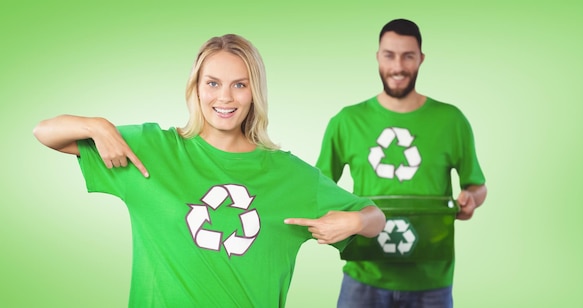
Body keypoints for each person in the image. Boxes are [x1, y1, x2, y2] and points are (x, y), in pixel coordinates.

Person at [33, 33, 386, 307]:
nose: (225, 98)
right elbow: (45, 133)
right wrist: (95, 125)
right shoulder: (153, 149)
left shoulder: (289, 174)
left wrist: (355, 221)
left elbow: (375, 218)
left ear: (254, 92)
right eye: (213, 83)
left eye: (240, 84)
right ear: (196, 87)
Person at [315, 19, 487, 308]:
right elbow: (318, 187)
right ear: (378, 56)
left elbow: (477, 186)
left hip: (431, 279)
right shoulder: (346, 122)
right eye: (389, 55)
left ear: (421, 58)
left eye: (408, 56)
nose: (398, 66)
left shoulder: (451, 121)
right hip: (363, 277)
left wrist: (472, 198)